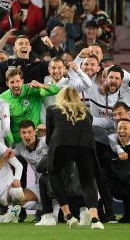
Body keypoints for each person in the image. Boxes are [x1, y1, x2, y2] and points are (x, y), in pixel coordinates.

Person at [45, 87, 104, 230]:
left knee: (53, 173)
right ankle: (95, 219)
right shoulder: (87, 112)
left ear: (60, 97)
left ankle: (68, 215)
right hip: (86, 146)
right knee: (88, 181)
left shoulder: (52, 109)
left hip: (61, 144)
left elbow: (48, 138)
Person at [0, 67, 59, 144]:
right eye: (12, 82)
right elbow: (4, 124)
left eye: (18, 81)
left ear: (22, 81)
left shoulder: (32, 90)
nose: (15, 85)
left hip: (36, 137)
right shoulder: (2, 99)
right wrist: (12, 143)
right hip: (18, 140)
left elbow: (56, 90)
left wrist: (41, 85)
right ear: (7, 83)